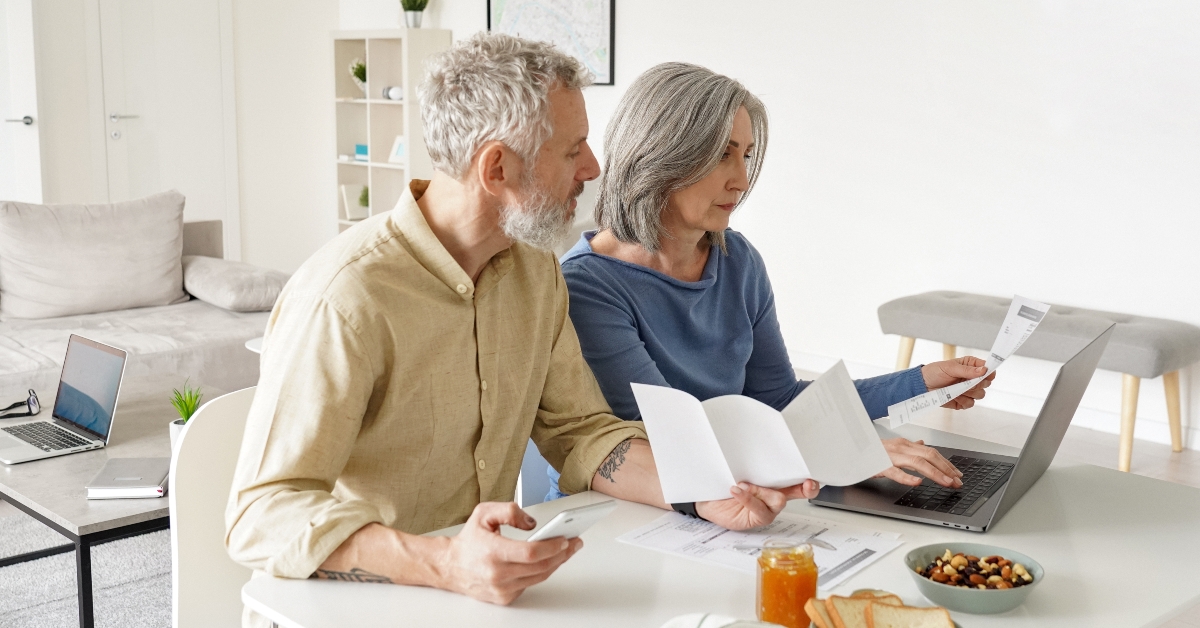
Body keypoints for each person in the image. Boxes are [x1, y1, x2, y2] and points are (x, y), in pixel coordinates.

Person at [225, 35, 818, 626]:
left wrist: (700, 491)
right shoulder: (346, 297)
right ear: (497, 167)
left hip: (478, 599)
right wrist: (444, 562)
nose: (593, 169)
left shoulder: (536, 273)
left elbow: (582, 431)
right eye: (573, 150)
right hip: (349, 605)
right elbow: (261, 516)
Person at [546, 62, 995, 500]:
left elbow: (779, 399)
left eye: (745, 154)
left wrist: (921, 382)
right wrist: (842, 454)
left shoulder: (736, 258)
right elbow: (678, 438)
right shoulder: (588, 286)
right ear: (659, 154)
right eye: (722, 153)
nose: (741, 180)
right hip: (618, 510)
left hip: (724, 497)